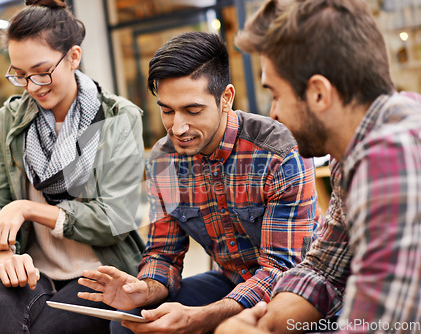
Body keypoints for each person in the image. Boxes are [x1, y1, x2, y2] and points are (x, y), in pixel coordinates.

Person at [78, 31, 322, 334]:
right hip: (230, 280)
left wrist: (200, 317)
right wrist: (145, 289)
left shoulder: (278, 153)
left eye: (193, 111)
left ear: (226, 99)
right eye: (167, 110)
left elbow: (281, 270)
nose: (178, 128)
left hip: (296, 289)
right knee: (129, 323)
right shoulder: (164, 160)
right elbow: (163, 253)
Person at [216, 0, 421, 333]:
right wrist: (265, 324)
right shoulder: (356, 150)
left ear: (318, 94)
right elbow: (326, 268)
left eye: (277, 94)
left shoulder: (390, 158)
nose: (273, 113)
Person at [0, 0, 145, 333]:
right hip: (37, 270)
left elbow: (115, 219)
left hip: (102, 270)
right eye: (20, 76)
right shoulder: (8, 120)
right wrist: (5, 255)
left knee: (52, 327)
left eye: (42, 71)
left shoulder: (118, 117)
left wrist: (28, 209)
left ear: (74, 57)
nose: (33, 86)